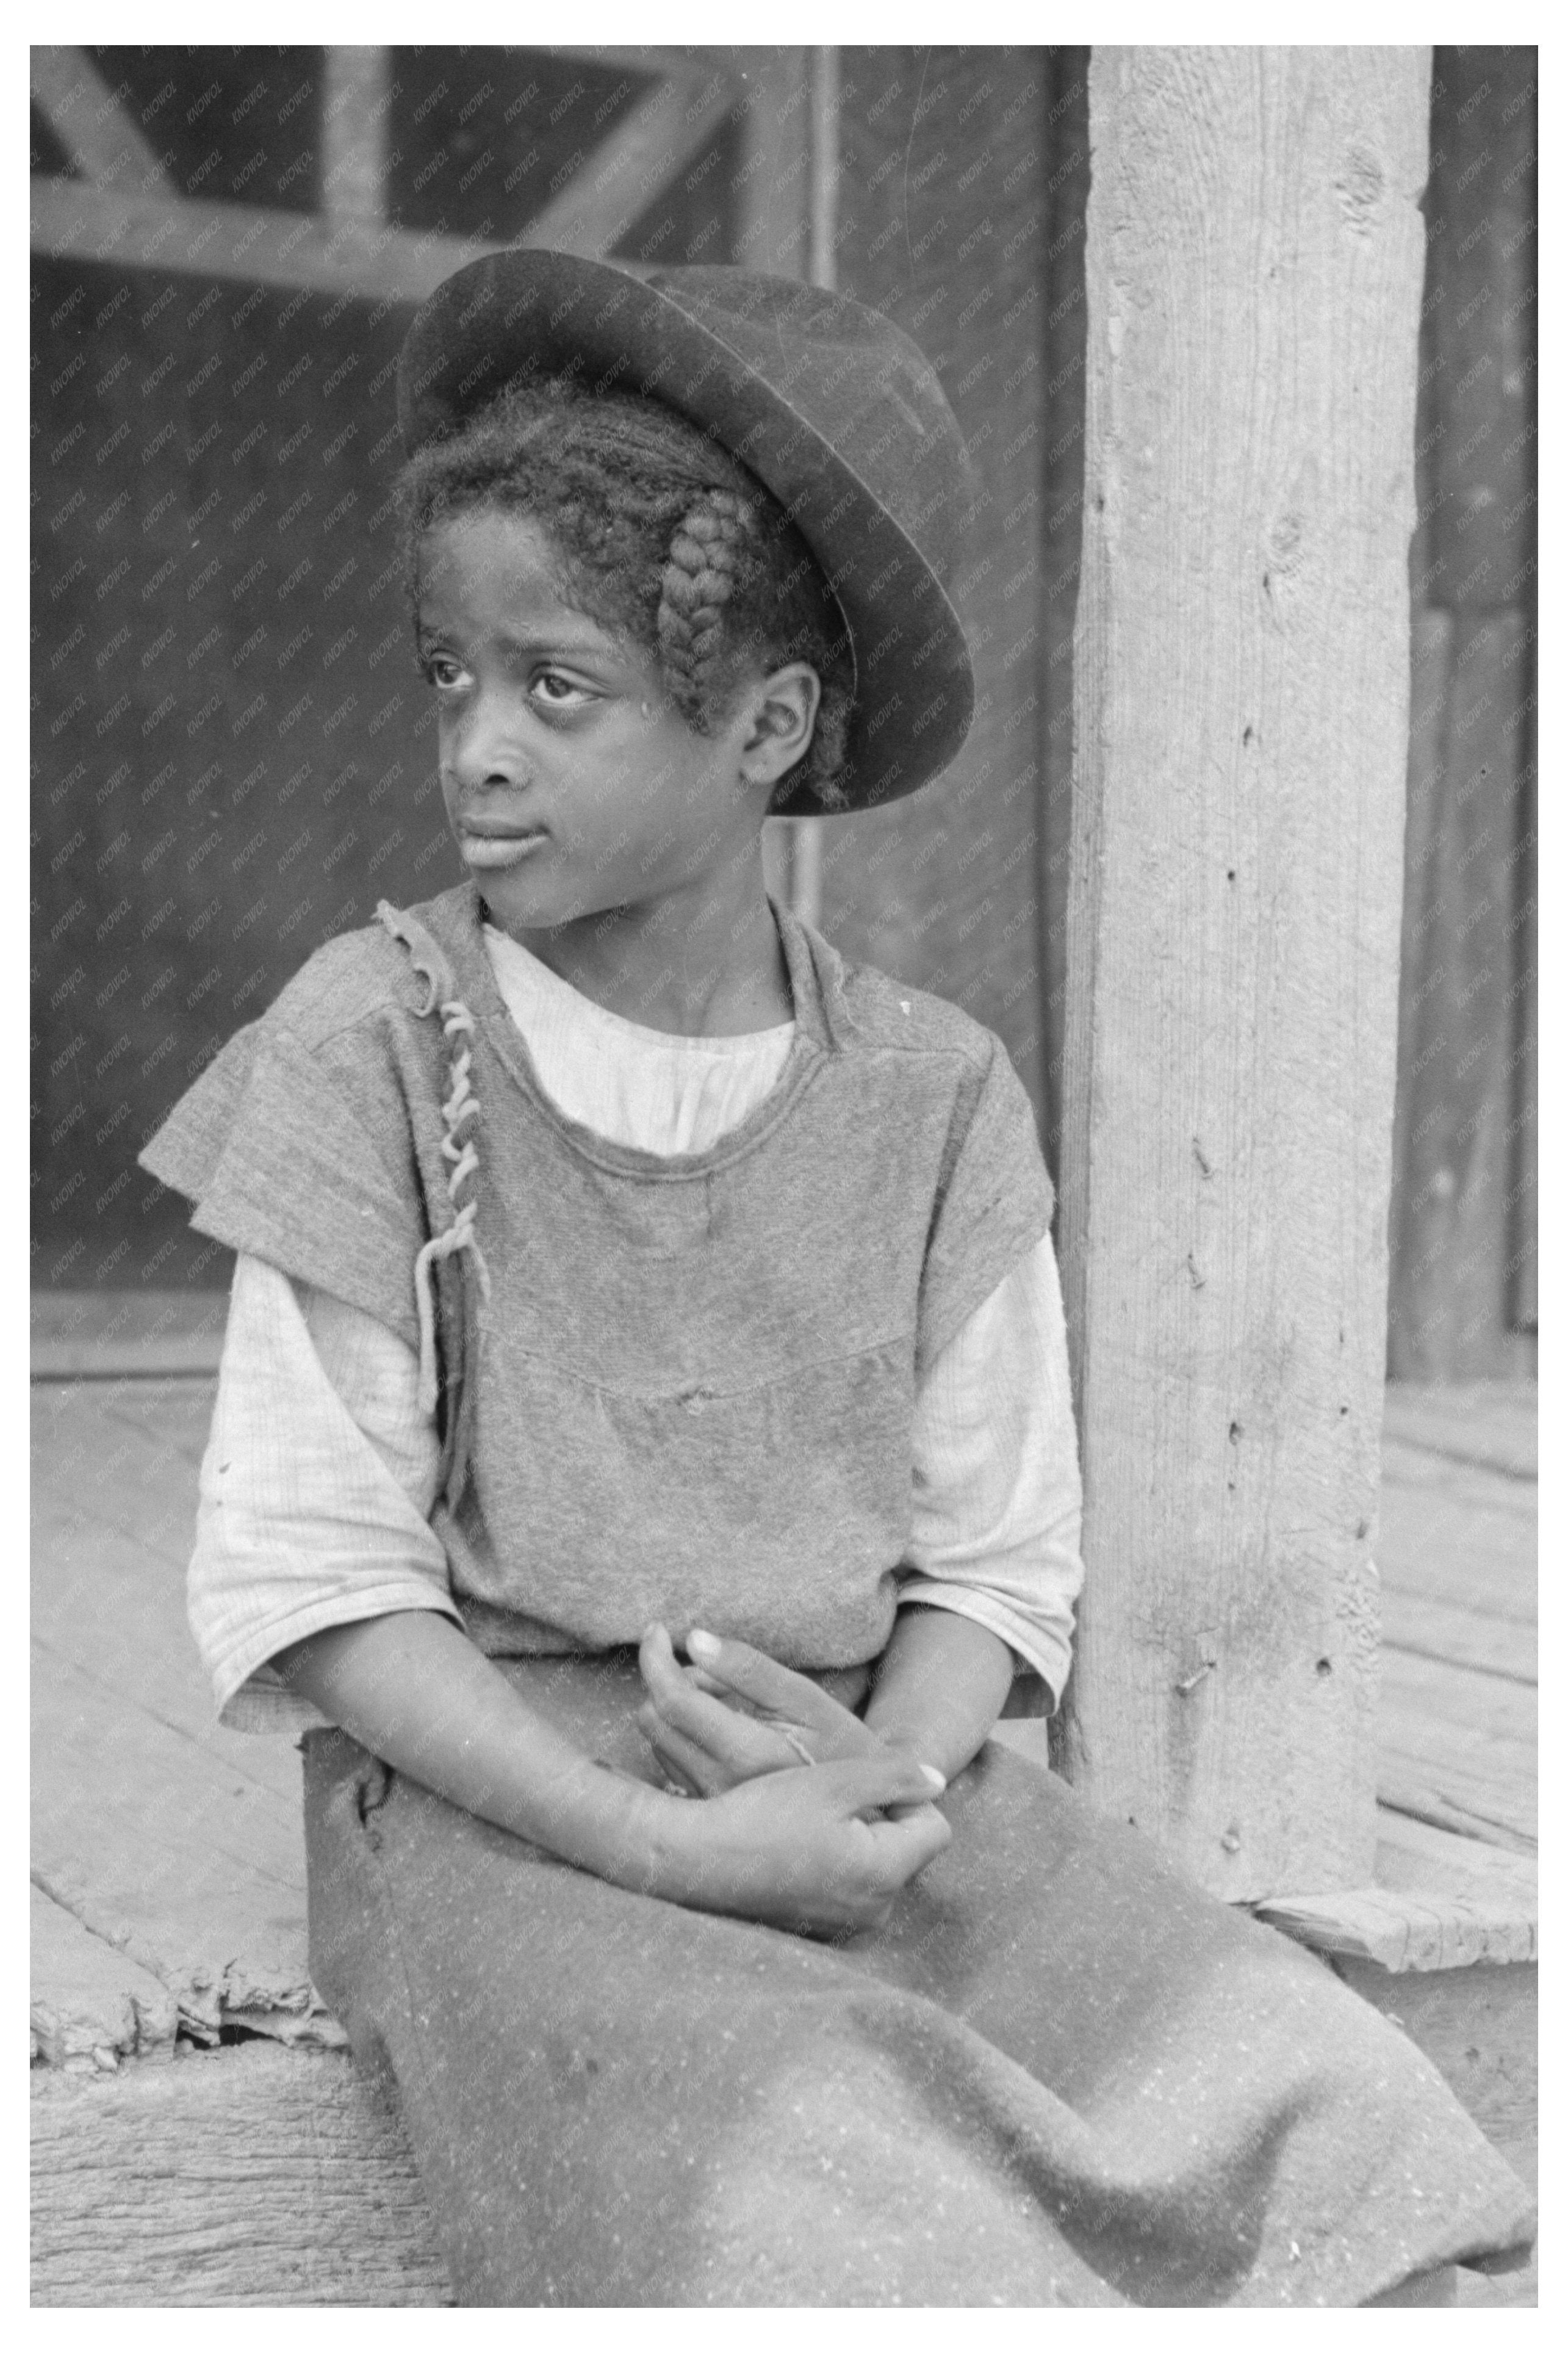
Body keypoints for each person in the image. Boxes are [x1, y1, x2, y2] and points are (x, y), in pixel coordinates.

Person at [140, 250, 1534, 2307]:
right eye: (451, 674)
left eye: (560, 685)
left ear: (766, 726)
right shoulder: (376, 1041)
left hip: (866, 1754)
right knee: (795, 2155)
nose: (480, 749)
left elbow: (992, 1564)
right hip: (499, 1810)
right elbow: (319, 1585)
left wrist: (867, 1776)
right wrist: (668, 1847)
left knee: (1300, 2096)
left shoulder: (928, 1094)